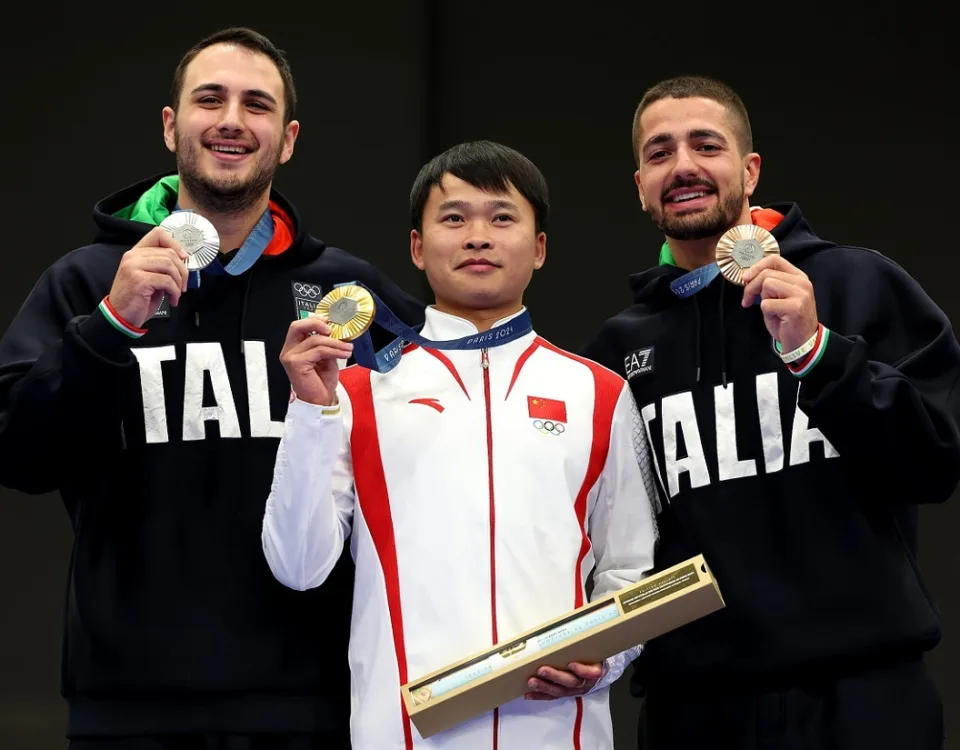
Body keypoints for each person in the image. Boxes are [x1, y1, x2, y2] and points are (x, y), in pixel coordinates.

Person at [0, 26, 425, 750]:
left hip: (309, 702)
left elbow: (445, 459)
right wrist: (109, 324)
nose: (232, 119)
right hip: (127, 707)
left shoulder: (346, 294)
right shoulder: (87, 281)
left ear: (286, 139)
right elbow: (16, 453)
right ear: (172, 126)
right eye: (210, 99)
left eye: (256, 104)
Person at [579, 74, 959, 750]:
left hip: (865, 701)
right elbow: (609, 543)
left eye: (706, 145)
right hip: (696, 712)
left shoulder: (857, 283)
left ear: (749, 170)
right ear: (640, 184)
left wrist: (819, 353)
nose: (685, 166)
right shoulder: (617, 350)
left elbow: (935, 462)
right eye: (660, 152)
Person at [261, 140, 659, 749]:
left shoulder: (599, 393)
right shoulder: (357, 392)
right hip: (402, 735)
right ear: (417, 247)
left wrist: (605, 657)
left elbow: (630, 570)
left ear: (540, 247)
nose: (478, 236)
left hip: (559, 734)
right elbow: (297, 566)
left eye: (502, 218)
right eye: (454, 218)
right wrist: (310, 410)